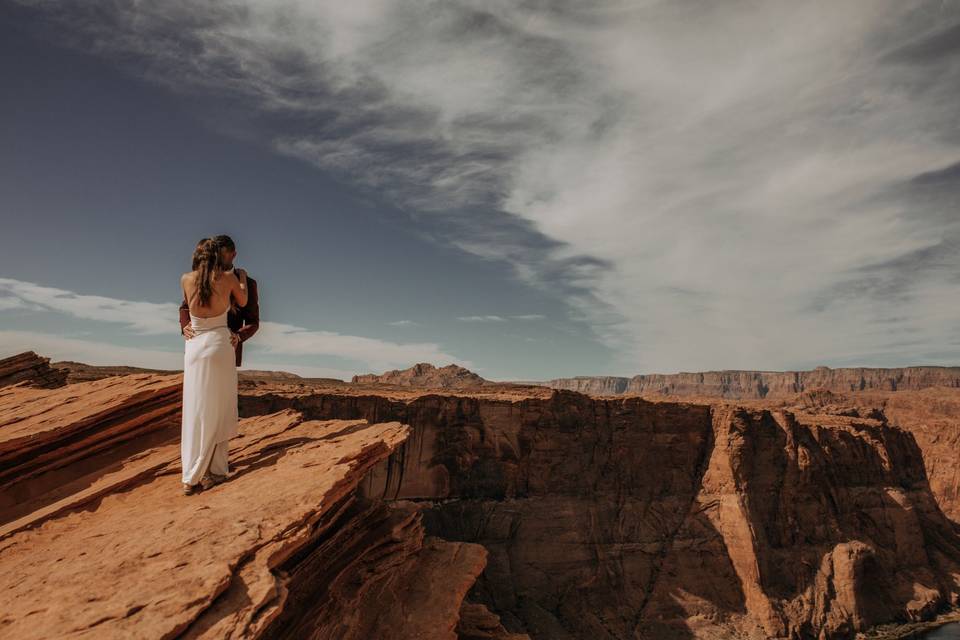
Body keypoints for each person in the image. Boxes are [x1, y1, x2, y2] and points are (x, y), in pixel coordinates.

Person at [179, 238, 249, 495]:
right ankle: (212, 471)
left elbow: (187, 306)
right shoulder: (229, 279)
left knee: (196, 408)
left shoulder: (185, 279)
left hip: (195, 346)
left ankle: (190, 475)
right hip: (219, 344)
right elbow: (242, 302)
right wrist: (240, 278)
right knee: (218, 408)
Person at [180, 235, 260, 366]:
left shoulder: (248, 284)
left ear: (233, 255)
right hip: (196, 344)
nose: (217, 259)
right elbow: (185, 306)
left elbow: (253, 322)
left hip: (228, 346)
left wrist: (239, 336)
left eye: (221, 255)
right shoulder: (200, 277)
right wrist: (185, 325)